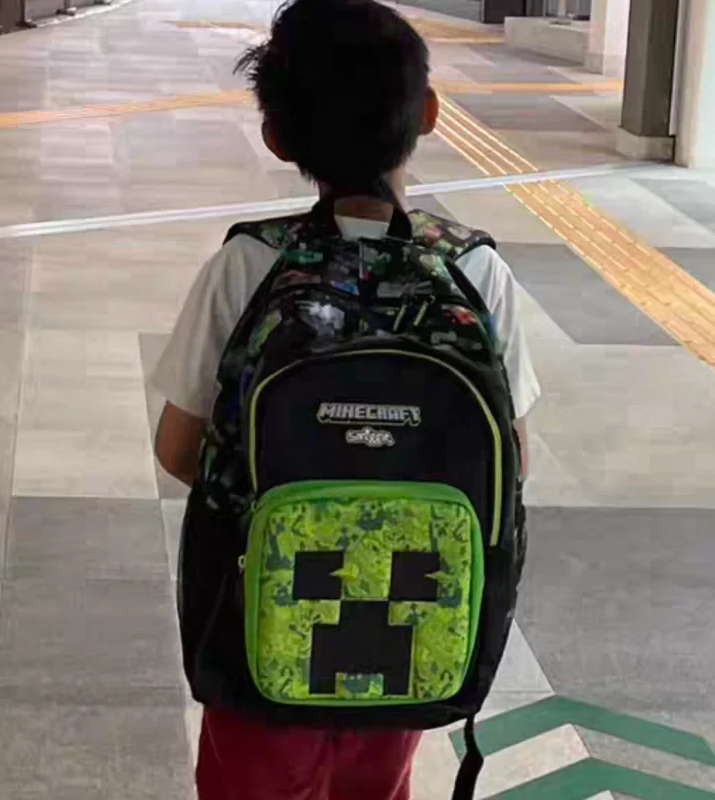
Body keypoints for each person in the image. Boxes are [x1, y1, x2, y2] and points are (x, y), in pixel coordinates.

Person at [152, 0, 540, 797]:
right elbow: (513, 462)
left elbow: (179, 449)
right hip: (409, 624)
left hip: (263, 620)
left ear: (276, 135)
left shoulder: (248, 266)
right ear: (428, 113)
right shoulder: (475, 272)